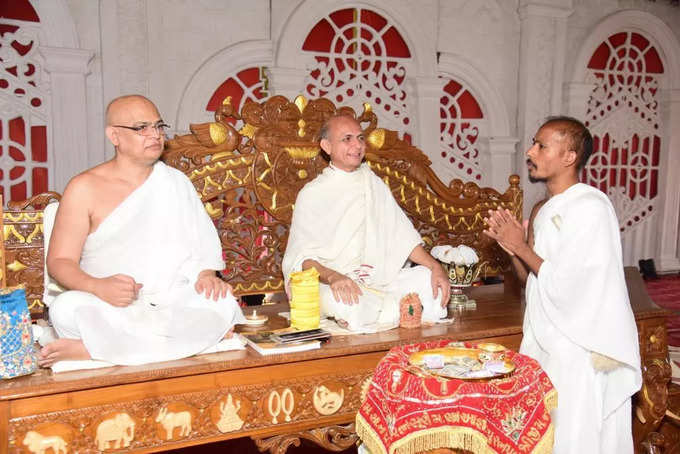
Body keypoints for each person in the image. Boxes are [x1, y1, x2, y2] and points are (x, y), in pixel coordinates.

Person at [38, 95, 245, 367]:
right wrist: (98, 287)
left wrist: (207, 275)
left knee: (222, 303)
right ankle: (191, 342)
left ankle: (94, 349)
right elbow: (60, 262)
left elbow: (201, 246)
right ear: (114, 136)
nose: (155, 135)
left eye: (159, 127)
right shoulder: (84, 187)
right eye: (141, 128)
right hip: (112, 306)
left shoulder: (175, 182)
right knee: (66, 309)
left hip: (172, 301)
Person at [484, 116, 641, 453]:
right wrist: (512, 248)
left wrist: (522, 246)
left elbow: (576, 286)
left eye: (541, 145)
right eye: (533, 143)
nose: (530, 151)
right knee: (541, 432)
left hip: (577, 346)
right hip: (543, 337)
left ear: (569, 156)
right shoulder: (542, 208)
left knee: (573, 433)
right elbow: (531, 279)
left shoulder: (592, 208)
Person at [282, 114, 450, 332]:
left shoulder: (373, 183)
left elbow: (403, 238)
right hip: (331, 283)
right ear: (326, 146)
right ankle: (391, 308)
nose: (357, 145)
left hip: (377, 279)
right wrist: (334, 277)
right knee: (346, 303)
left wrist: (435, 267)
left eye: (360, 138)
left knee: (427, 279)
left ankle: (384, 309)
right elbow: (301, 259)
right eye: (347, 139)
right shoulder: (312, 194)